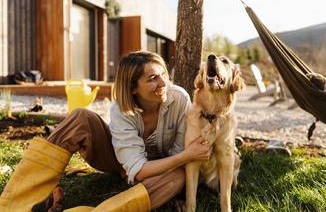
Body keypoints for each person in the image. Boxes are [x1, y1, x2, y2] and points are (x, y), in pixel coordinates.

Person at [0, 51, 211, 212]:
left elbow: (176, 155)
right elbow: (139, 167)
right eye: (152, 78)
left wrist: (175, 161)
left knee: (178, 176)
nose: (163, 82)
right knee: (80, 117)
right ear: (132, 88)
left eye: (163, 73)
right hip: (117, 160)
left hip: (162, 170)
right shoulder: (120, 110)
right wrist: (185, 156)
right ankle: (15, 202)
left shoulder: (179, 99)